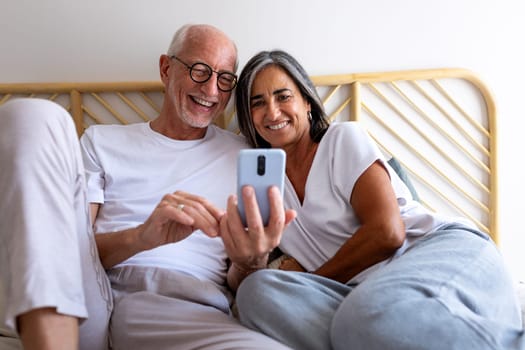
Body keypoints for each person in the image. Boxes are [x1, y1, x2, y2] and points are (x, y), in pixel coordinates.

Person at [0, 25, 294, 350]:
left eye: (225, 78)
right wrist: (142, 237)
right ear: (166, 69)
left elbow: (239, 280)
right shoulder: (102, 141)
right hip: (88, 296)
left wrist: (249, 261)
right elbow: (65, 246)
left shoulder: (245, 158)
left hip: (181, 306)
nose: (212, 90)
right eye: (200, 71)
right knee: (31, 115)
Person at [221, 49, 524, 350]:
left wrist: (313, 280)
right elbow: (246, 274)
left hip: (432, 251)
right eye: (257, 103)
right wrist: (247, 263)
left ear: (308, 103)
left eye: (283, 96)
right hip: (357, 293)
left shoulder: (341, 140)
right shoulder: (263, 185)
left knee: (361, 317)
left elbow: (388, 233)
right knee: (255, 294)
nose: (272, 112)